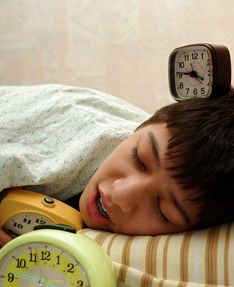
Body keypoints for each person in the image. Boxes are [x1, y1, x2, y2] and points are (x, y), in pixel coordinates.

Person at [0, 86, 234, 246]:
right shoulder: (56, 151)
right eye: (139, 158)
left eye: (163, 210)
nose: (121, 194)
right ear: (142, 126)